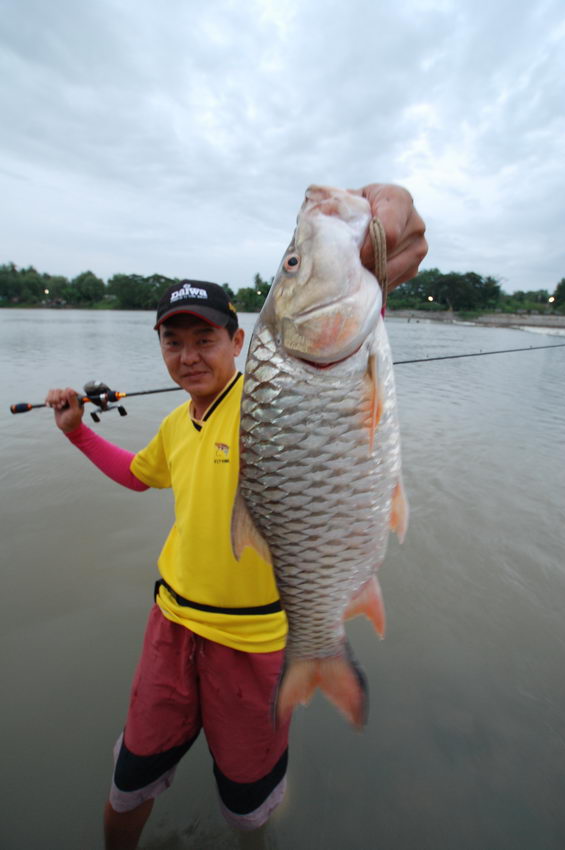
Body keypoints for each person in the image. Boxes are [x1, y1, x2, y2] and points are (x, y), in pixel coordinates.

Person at [46, 184, 427, 850]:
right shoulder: (174, 421)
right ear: (161, 348)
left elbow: (397, 249)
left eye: (205, 338)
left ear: (238, 339)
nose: (189, 355)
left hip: (255, 645)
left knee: (248, 804)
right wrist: (78, 434)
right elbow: (138, 478)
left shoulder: (272, 392)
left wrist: (385, 220)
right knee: (129, 779)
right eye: (174, 341)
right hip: (169, 627)